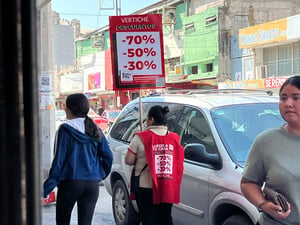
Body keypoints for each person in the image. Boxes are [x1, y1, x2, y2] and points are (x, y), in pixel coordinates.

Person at [43, 93, 113, 225]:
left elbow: (58, 162)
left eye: (66, 107)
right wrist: (100, 174)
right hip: (92, 184)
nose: (64, 110)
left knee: (63, 221)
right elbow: (108, 156)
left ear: (70, 109)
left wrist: (46, 188)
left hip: (70, 183)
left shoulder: (65, 130)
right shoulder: (95, 129)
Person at [240, 75, 300, 225]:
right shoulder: (266, 141)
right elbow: (248, 183)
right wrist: (263, 205)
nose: (288, 104)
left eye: (296, 97)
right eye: (283, 98)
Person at [125, 105, 184, 225]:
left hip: (145, 188)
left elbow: (129, 160)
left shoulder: (140, 137)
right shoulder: (175, 139)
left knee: (148, 220)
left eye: (147, 119)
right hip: (167, 185)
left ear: (151, 120)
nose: (146, 121)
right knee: (166, 219)